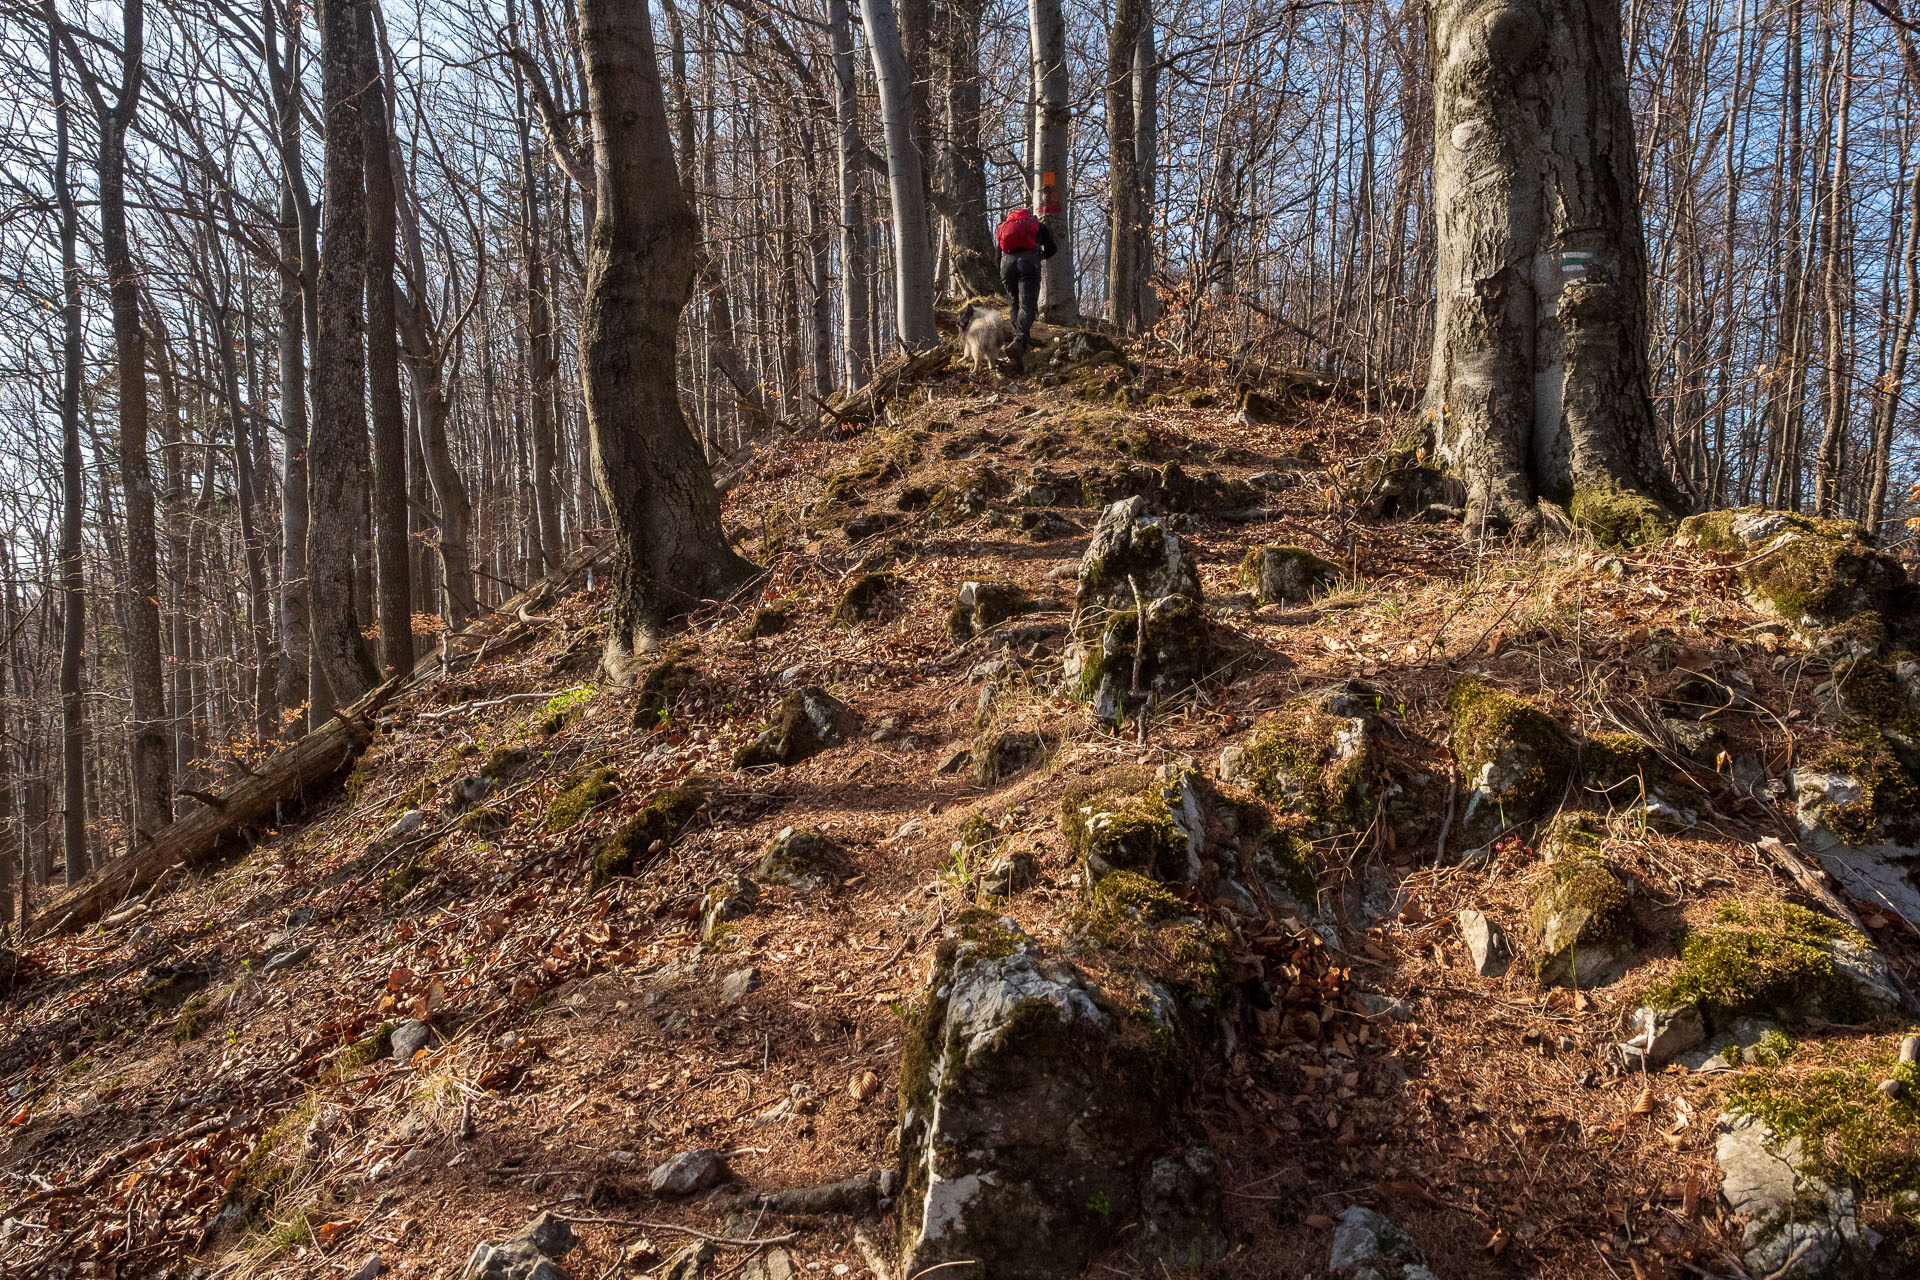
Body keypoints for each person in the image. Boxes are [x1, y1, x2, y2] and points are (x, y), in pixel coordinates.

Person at [995, 206, 1057, 368]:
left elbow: (997, 255)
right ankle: (1020, 341)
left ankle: (1019, 348)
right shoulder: (1036, 224)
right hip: (1029, 263)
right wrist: (1040, 257)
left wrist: (1003, 269)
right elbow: (1052, 249)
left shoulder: (1004, 227)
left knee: (1015, 303)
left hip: (1006, 264)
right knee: (1027, 306)